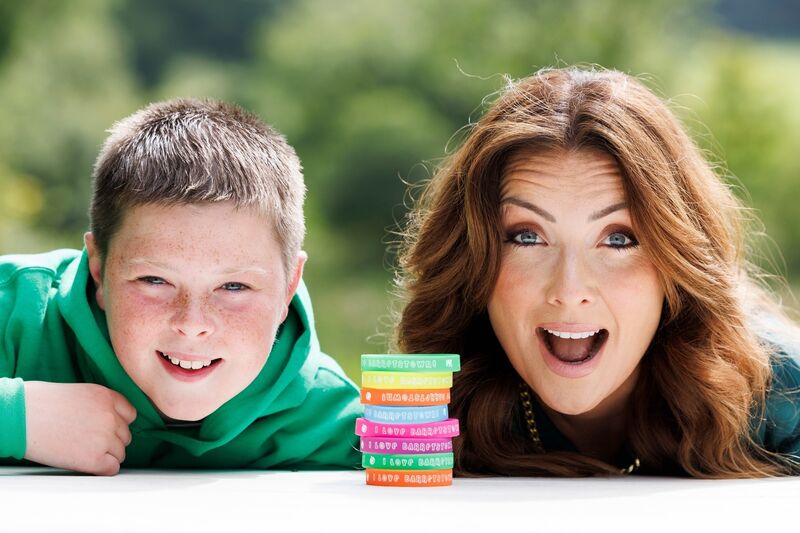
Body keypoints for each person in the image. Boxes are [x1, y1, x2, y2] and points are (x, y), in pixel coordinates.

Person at [394, 67, 800, 477]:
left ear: (676, 264)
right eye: (527, 237)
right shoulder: (433, 404)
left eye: (619, 239)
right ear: (472, 260)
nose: (569, 291)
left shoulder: (783, 391)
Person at [0, 98, 362, 475]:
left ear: (289, 287)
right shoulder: (15, 316)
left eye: (234, 286)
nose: (192, 323)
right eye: (155, 280)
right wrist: (15, 417)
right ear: (98, 269)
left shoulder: (337, 422)